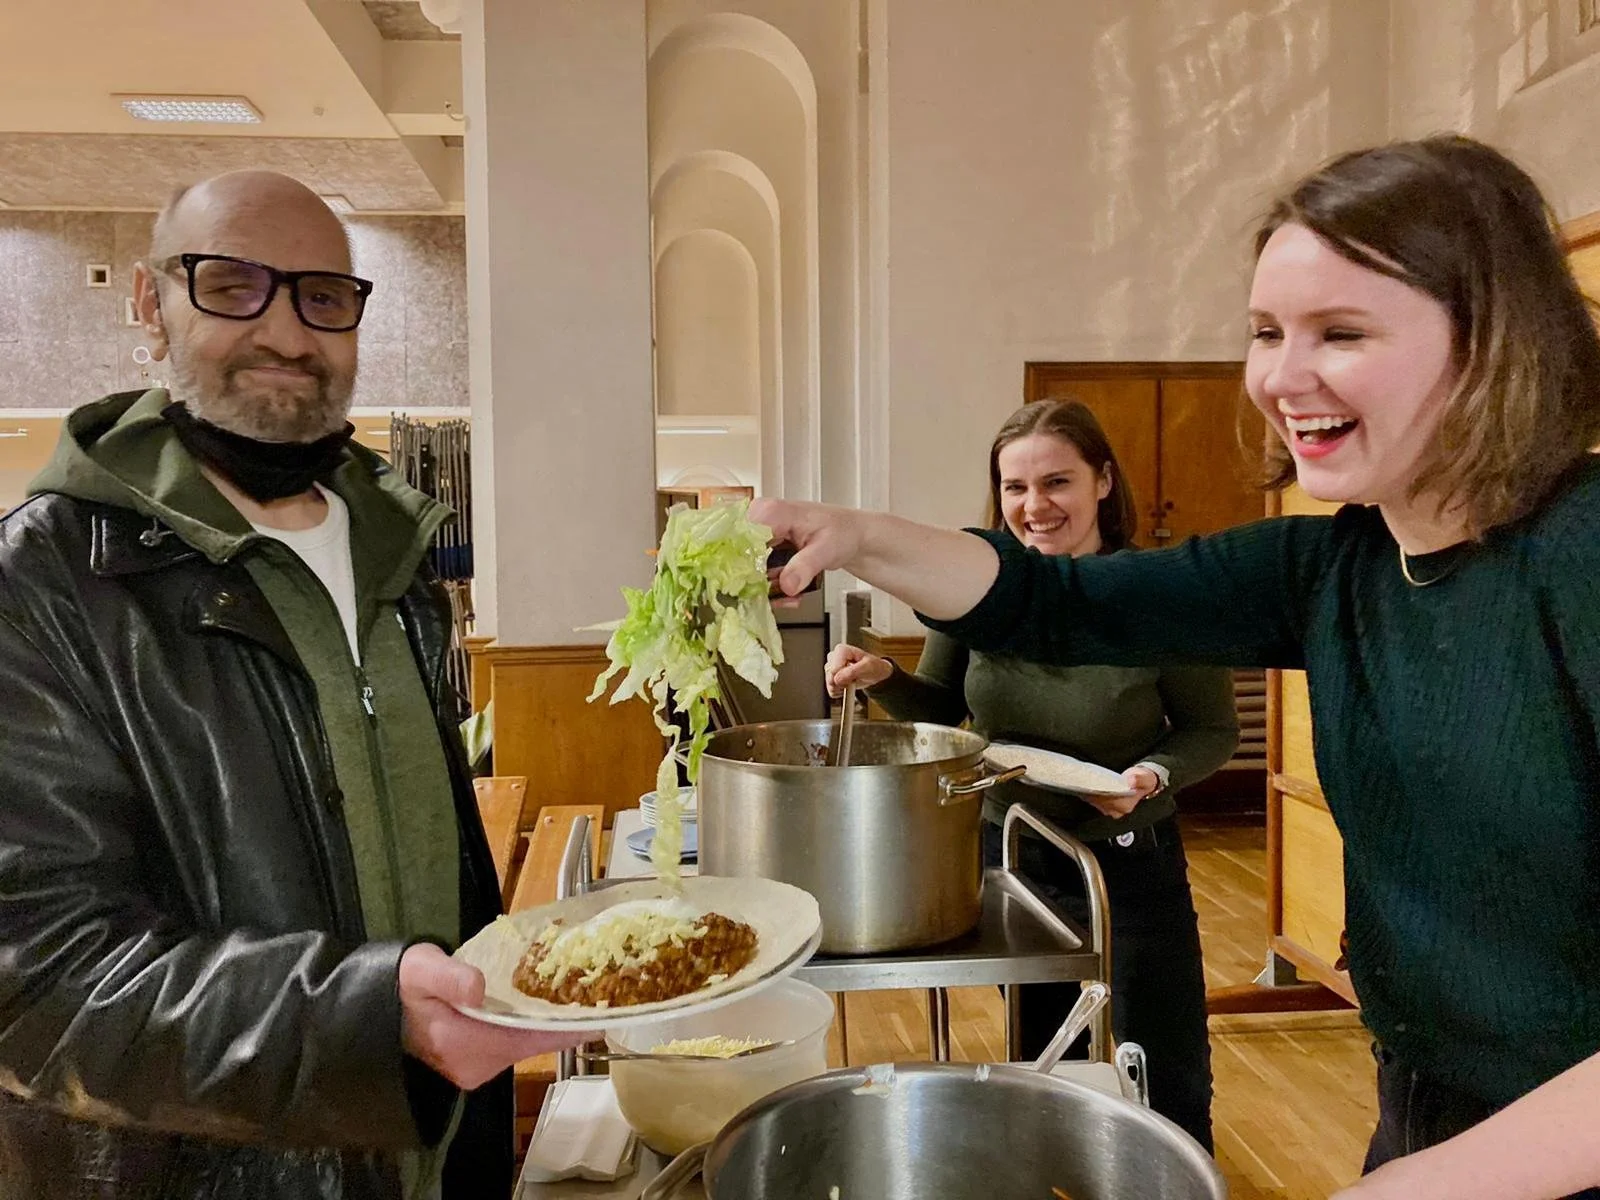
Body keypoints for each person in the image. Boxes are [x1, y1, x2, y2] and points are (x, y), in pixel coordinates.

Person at [753, 135, 1600, 1200]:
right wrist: (856, 534)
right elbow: (1052, 602)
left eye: (1339, 333)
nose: (1280, 377)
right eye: (1265, 333)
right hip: (1429, 1105)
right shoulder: (1330, 566)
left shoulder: (1579, 556)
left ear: (1489, 342)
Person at [0, 171, 580, 1199]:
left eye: (322, 297)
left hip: (439, 1156)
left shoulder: (392, 550)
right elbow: (33, 977)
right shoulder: (45, 584)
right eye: (231, 285)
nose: (285, 331)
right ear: (149, 302)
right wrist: (363, 1019)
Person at [824, 398, 1236, 1148]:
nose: (1034, 506)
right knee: (1046, 1045)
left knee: (1164, 1053)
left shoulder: (1159, 598)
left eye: (1056, 482)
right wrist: (883, 676)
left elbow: (1211, 730)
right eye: (1015, 487)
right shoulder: (978, 591)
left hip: (1127, 858)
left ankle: (1178, 1173)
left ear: (1103, 481)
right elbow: (942, 703)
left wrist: (1151, 774)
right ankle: (1055, 1171)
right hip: (1013, 851)